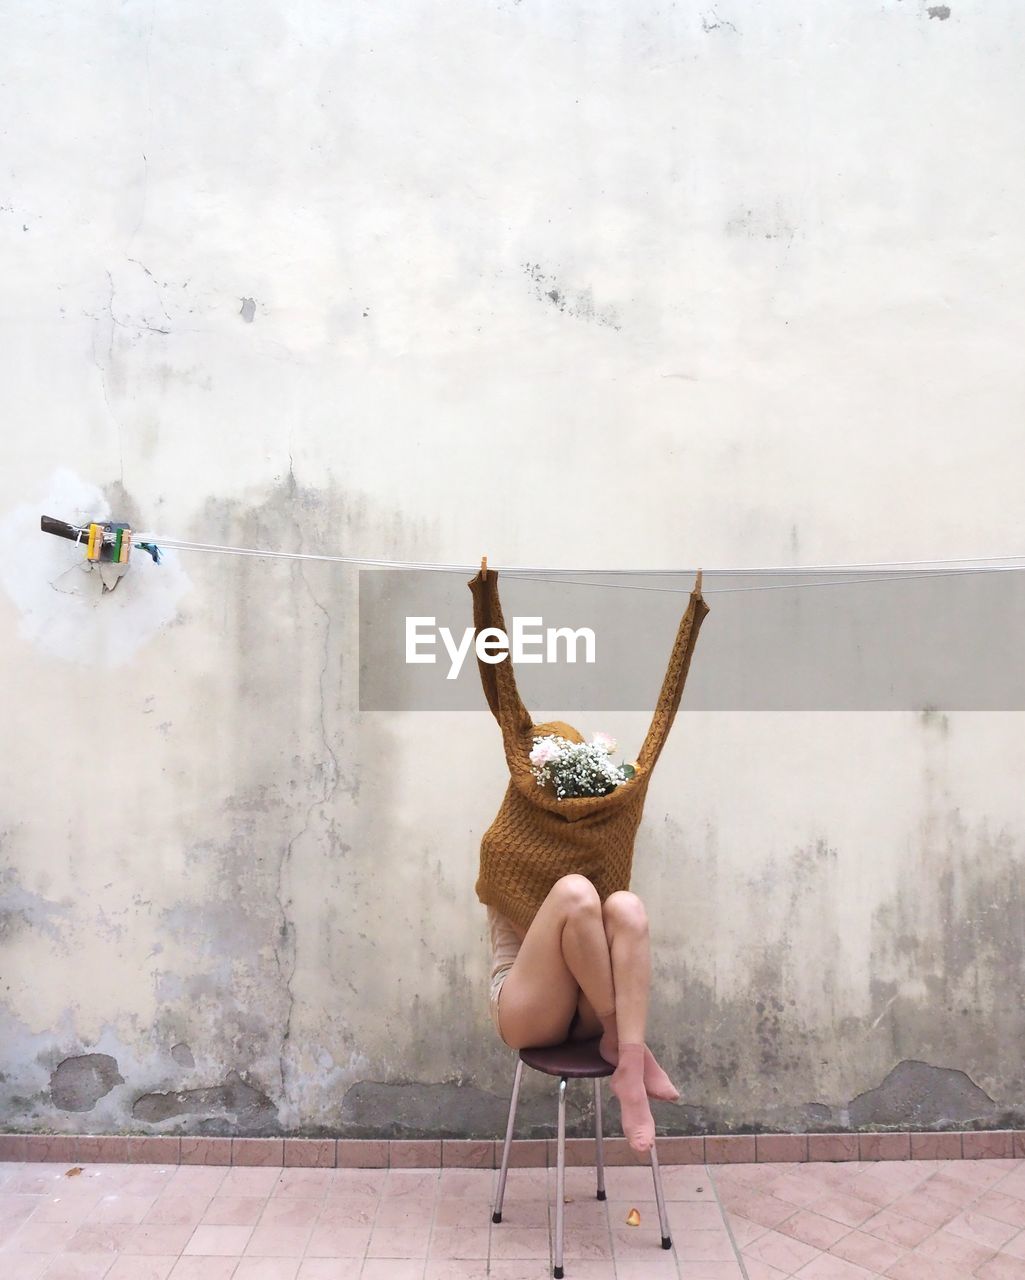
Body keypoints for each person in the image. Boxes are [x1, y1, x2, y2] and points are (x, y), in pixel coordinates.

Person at [469, 559, 709, 1153]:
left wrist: (691, 619)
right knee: (577, 894)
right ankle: (626, 1044)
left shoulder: (602, 830)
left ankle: (626, 1061)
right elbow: (502, 692)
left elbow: (663, 724)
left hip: (583, 1000)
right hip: (525, 1005)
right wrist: (486, 599)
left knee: (623, 905)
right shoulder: (509, 838)